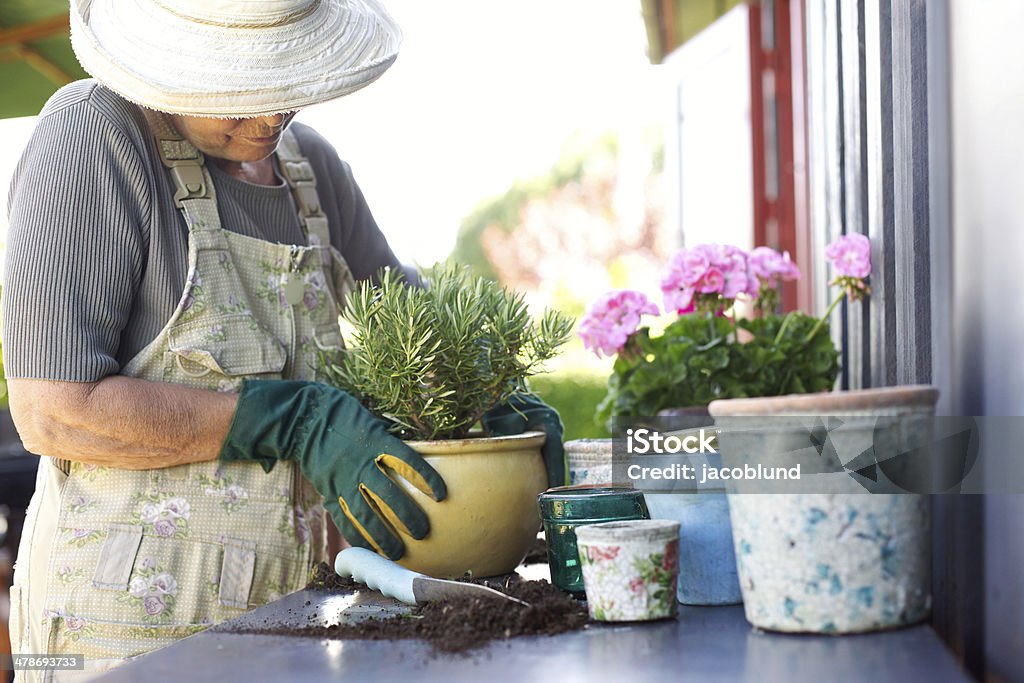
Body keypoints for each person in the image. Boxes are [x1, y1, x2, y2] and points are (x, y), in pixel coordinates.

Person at [2, 1, 565, 680]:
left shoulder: (308, 167)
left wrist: (491, 384)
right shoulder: (94, 134)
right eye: (240, 92)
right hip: (126, 630)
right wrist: (290, 418)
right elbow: (55, 411)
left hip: (290, 618)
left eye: (284, 79)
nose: (271, 116)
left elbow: (402, 308)